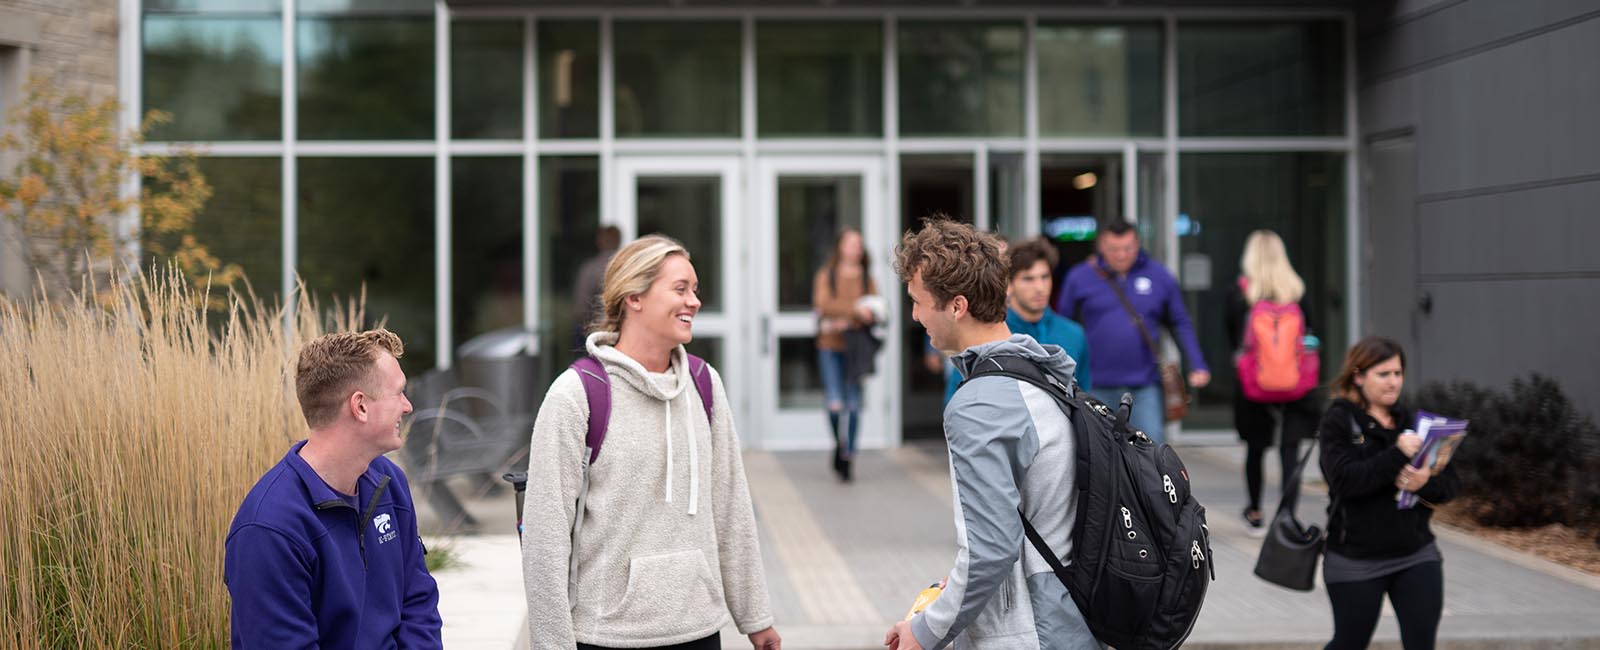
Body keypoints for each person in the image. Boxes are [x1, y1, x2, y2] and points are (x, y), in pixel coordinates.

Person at [522, 235, 781, 650]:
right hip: (607, 636)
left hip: (698, 630)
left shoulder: (703, 384)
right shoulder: (576, 394)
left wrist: (755, 616)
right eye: (680, 289)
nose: (694, 302)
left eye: (695, 290)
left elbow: (731, 507)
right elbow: (545, 536)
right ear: (633, 297)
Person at [884, 218, 1101, 650]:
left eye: (918, 301)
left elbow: (992, 550)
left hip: (1034, 630)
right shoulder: (1042, 370)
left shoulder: (981, 404)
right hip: (1072, 613)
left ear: (957, 306)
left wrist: (925, 631)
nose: (914, 315)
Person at [224, 329, 442, 649]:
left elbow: (418, 603)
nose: (407, 406)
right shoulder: (269, 528)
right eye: (398, 393)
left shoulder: (388, 484)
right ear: (360, 406)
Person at [1318, 336, 1458, 650]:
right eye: (1383, 374)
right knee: (1349, 643)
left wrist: (1424, 483)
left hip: (1415, 554)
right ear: (1358, 376)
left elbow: (1450, 486)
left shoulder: (1413, 421)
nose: (1393, 382)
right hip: (1355, 558)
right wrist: (1397, 454)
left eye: (1398, 373)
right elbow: (1345, 481)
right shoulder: (1338, 421)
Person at [1054, 219, 1209, 444]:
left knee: (1151, 452)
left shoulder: (1160, 276)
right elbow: (1063, 326)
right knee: (1099, 454)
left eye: (1128, 248)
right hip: (1094, 385)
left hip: (1144, 385)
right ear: (1101, 246)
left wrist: (1197, 363)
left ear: (1137, 245)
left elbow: (1179, 322)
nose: (1121, 255)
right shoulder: (1080, 277)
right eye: (1113, 249)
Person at [1228, 230, 1321, 535]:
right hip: (1295, 386)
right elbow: (1312, 336)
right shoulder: (1298, 292)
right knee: (1289, 451)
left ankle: (1255, 512)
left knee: (1256, 448)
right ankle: (1287, 517)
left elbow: (1232, 340)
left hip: (1253, 387)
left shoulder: (1240, 295)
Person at [812, 227, 878, 481]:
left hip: (855, 349)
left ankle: (848, 454)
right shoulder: (826, 275)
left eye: (858, 244)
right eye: (851, 244)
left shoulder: (866, 279)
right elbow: (823, 304)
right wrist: (856, 312)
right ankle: (838, 444)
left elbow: (874, 310)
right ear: (840, 246)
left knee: (853, 405)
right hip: (829, 346)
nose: (855, 249)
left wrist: (845, 318)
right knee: (835, 402)